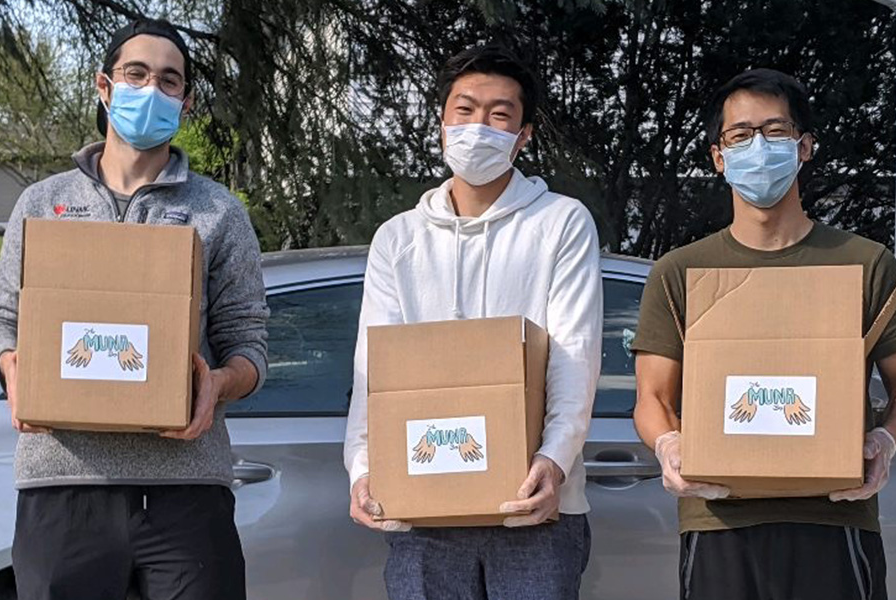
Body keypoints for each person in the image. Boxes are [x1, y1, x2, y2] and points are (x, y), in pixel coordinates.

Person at [0, 18, 269, 600]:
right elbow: (3, 319)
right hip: (61, 486)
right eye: (136, 74)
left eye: (169, 81)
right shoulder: (42, 205)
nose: (152, 90)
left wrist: (218, 383)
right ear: (104, 85)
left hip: (185, 493)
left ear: (186, 102)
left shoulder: (217, 213)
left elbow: (249, 342)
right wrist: (12, 369)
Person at [344, 43, 603, 600]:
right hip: (424, 514)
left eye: (499, 114)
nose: (478, 126)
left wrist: (553, 462)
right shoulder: (399, 238)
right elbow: (374, 366)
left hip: (531, 509)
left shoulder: (561, 223)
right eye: (464, 110)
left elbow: (575, 354)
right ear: (441, 121)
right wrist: (362, 466)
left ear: (524, 133)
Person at [632, 68, 896, 600]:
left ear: (804, 147)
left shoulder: (866, 263)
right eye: (740, 134)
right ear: (719, 157)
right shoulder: (681, 270)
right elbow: (652, 399)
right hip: (718, 521)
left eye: (775, 132)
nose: (758, 145)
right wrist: (668, 445)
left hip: (834, 518)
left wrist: (884, 441)